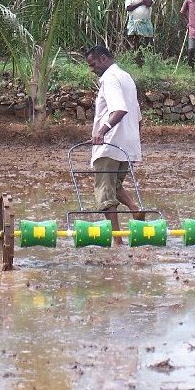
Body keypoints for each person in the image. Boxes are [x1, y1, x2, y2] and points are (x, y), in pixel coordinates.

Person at [85, 45, 144, 245]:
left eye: (93, 64)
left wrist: (101, 131)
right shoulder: (126, 77)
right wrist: (133, 142)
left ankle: (117, 242)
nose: (92, 69)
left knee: (105, 192)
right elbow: (138, 117)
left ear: (104, 59)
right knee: (115, 185)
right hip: (127, 145)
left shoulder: (109, 79)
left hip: (109, 144)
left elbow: (119, 109)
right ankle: (135, 209)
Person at [125, 0, 153, 67]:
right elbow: (129, 8)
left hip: (146, 23)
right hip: (133, 23)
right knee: (135, 43)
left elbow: (149, 3)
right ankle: (136, 64)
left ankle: (146, 64)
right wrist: (141, 2)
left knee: (146, 43)